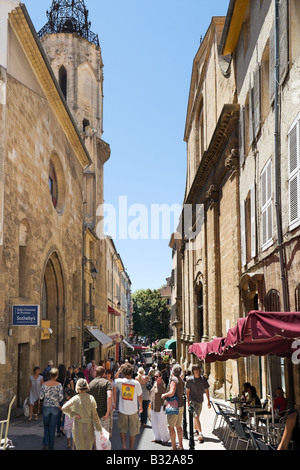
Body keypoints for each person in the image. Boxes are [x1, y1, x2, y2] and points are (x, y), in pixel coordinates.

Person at [62, 378, 102, 450]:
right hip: (89, 426)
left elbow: (64, 408)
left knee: (79, 447)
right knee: (88, 447)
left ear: (77, 388)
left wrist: (73, 414)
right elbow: (95, 415)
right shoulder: (91, 398)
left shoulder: (75, 398)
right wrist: (99, 428)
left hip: (78, 425)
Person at [113, 363, 143, 450]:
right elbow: (140, 396)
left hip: (122, 410)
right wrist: (141, 406)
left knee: (123, 429)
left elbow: (114, 379)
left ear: (123, 372)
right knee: (133, 431)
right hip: (133, 411)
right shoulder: (136, 383)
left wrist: (119, 370)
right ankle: (131, 448)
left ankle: (124, 445)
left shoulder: (120, 382)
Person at [161, 364, 185, 450]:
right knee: (179, 426)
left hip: (173, 405)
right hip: (180, 405)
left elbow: (171, 392)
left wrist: (164, 394)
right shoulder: (181, 380)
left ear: (173, 371)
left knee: (171, 427)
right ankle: (181, 446)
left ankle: (174, 447)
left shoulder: (173, 380)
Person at [39, 367, 64, 450]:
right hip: (55, 408)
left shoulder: (44, 384)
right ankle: (51, 447)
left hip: (46, 406)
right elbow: (61, 398)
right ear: (56, 375)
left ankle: (45, 442)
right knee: (52, 429)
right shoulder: (59, 385)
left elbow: (41, 396)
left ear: (50, 375)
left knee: (46, 426)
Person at [186, 365, 211, 443]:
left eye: (197, 370)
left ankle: (195, 430)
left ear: (199, 370)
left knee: (197, 416)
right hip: (192, 400)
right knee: (196, 416)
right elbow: (187, 391)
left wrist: (208, 401)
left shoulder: (203, 379)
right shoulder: (190, 380)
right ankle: (200, 434)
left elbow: (207, 390)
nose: (196, 371)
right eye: (195, 370)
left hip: (200, 400)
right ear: (193, 371)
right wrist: (188, 401)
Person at [88, 366, 112, 433]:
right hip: (104, 414)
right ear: (104, 373)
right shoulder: (107, 383)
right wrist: (107, 412)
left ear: (95, 373)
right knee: (104, 436)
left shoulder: (90, 384)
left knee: (95, 435)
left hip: (93, 414)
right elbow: (109, 396)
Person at [150, 370, 169, 444]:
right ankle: (157, 437)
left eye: (157, 376)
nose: (155, 378)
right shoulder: (155, 383)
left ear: (160, 377)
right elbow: (152, 392)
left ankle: (165, 438)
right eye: (154, 376)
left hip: (160, 406)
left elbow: (164, 396)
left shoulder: (162, 385)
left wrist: (163, 407)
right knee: (154, 423)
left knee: (161, 423)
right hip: (153, 405)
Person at [105, 369, 115, 437]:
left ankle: (110, 430)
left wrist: (114, 403)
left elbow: (114, 393)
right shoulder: (104, 381)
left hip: (111, 400)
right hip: (105, 400)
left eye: (109, 374)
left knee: (111, 417)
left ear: (111, 375)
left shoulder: (112, 382)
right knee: (106, 416)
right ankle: (106, 430)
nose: (108, 375)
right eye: (107, 374)